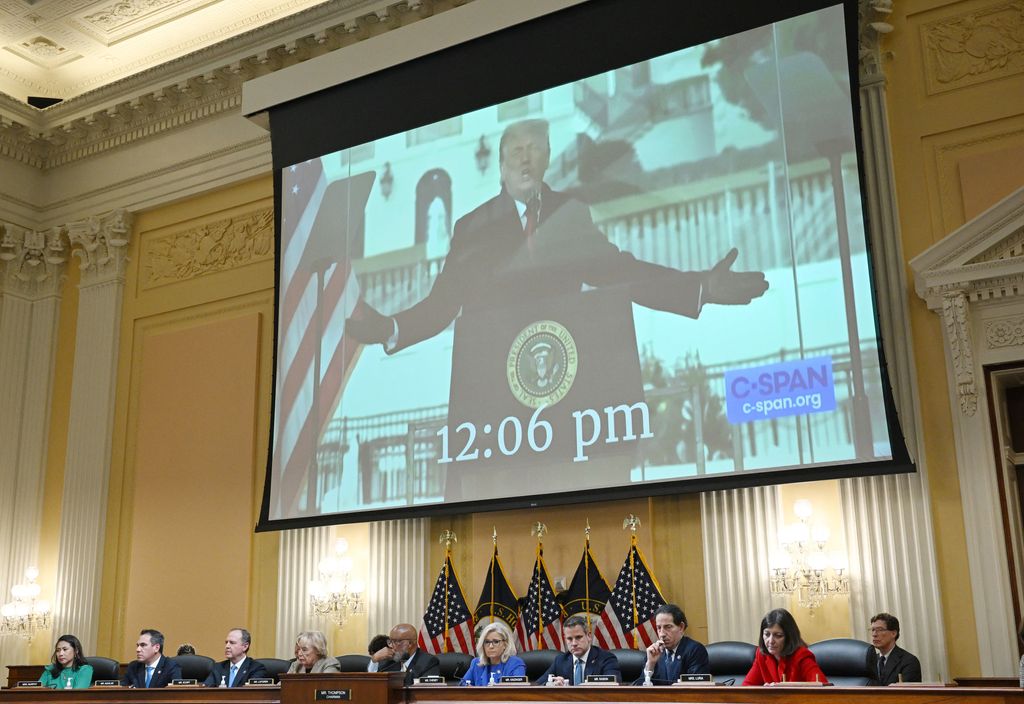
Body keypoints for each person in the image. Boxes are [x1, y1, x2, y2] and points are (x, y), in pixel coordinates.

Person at [346, 118, 768, 353]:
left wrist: (699, 287)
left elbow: (621, 272)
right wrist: (389, 327)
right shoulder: (472, 227)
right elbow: (442, 306)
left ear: (547, 158)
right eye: (517, 150)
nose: (526, 159)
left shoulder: (570, 214)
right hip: (491, 394)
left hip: (567, 374)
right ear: (501, 164)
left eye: (536, 149)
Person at [742, 608, 828, 685]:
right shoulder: (761, 655)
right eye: (767, 634)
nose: (771, 641)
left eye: (778, 635)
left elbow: (824, 692)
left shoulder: (802, 656)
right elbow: (746, 689)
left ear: (789, 637)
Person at [537, 614, 621, 685]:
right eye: (569, 639)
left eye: (578, 637)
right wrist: (551, 684)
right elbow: (538, 685)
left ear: (589, 636)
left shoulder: (606, 659)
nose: (574, 643)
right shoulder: (560, 660)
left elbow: (614, 688)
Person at [635, 604, 709, 684]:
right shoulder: (653, 653)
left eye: (668, 627)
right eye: (659, 628)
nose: (662, 634)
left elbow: (696, 689)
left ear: (681, 627)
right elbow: (639, 691)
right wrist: (650, 665)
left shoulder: (695, 651)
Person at [459, 621, 525, 686]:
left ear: (505, 644)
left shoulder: (515, 664)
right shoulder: (476, 663)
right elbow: (463, 685)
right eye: (487, 642)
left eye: (496, 642)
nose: (491, 646)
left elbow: (517, 691)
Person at [375, 623, 440, 684]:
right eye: (390, 641)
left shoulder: (429, 662)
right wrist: (375, 659)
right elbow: (373, 682)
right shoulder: (388, 662)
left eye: (395, 641)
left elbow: (426, 690)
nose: (391, 646)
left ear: (410, 643)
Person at [867, 612, 921, 684]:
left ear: (893, 633)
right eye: (872, 630)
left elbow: (909, 694)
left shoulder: (909, 661)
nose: (874, 634)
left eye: (879, 630)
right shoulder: (870, 661)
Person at [204, 628, 269, 687]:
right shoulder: (218, 668)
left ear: (245, 646)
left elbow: (252, 694)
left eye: (232, 643)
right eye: (226, 642)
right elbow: (206, 690)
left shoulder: (256, 669)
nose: (227, 646)